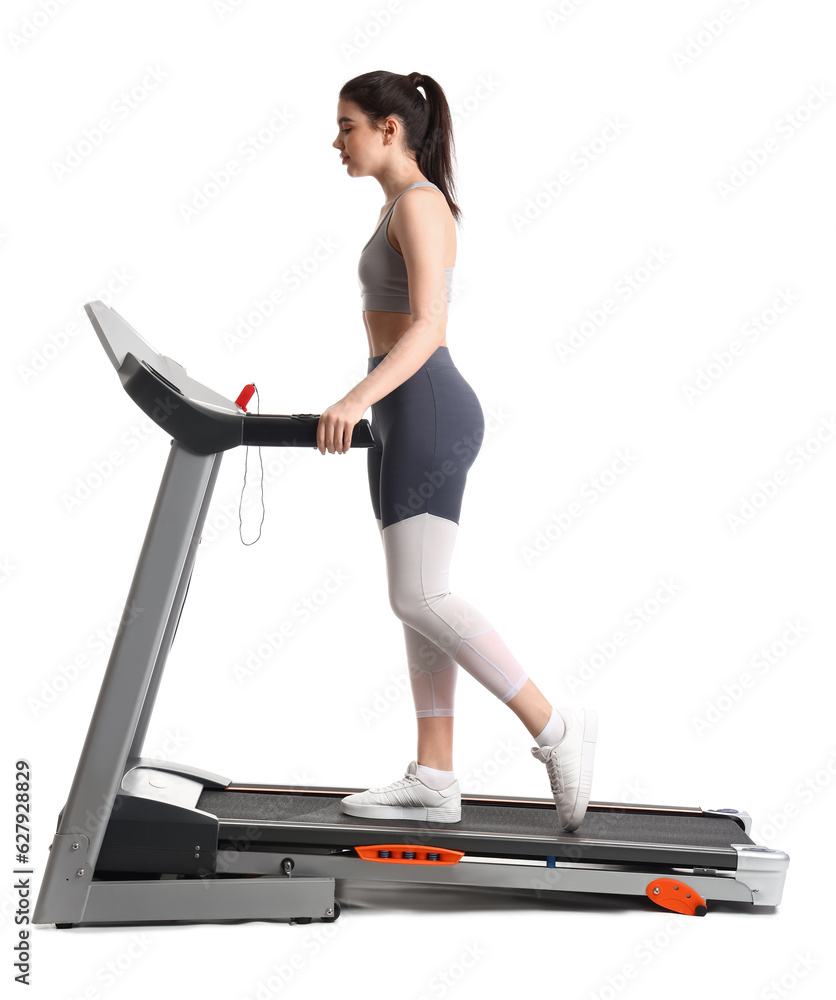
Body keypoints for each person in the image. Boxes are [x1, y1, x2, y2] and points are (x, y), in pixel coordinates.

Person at [317, 69, 596, 832]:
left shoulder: (421, 205)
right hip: (402, 412)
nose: (335, 141)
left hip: (427, 407)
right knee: (416, 600)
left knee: (418, 596)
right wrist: (370, 400)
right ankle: (435, 776)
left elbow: (429, 328)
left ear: (388, 129)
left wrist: (355, 398)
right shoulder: (393, 210)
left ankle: (555, 728)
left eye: (346, 125)